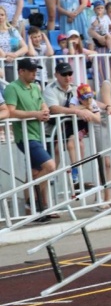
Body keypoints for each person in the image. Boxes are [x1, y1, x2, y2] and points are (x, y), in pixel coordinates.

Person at [6, 58, 54, 221]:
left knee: (34, 172)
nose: (35, 74)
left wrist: (44, 110)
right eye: (31, 71)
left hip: (38, 134)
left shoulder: (35, 87)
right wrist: (35, 114)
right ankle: (35, 200)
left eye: (35, 71)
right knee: (50, 166)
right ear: (21, 71)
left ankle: (31, 208)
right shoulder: (12, 88)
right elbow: (11, 111)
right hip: (25, 136)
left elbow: (42, 104)